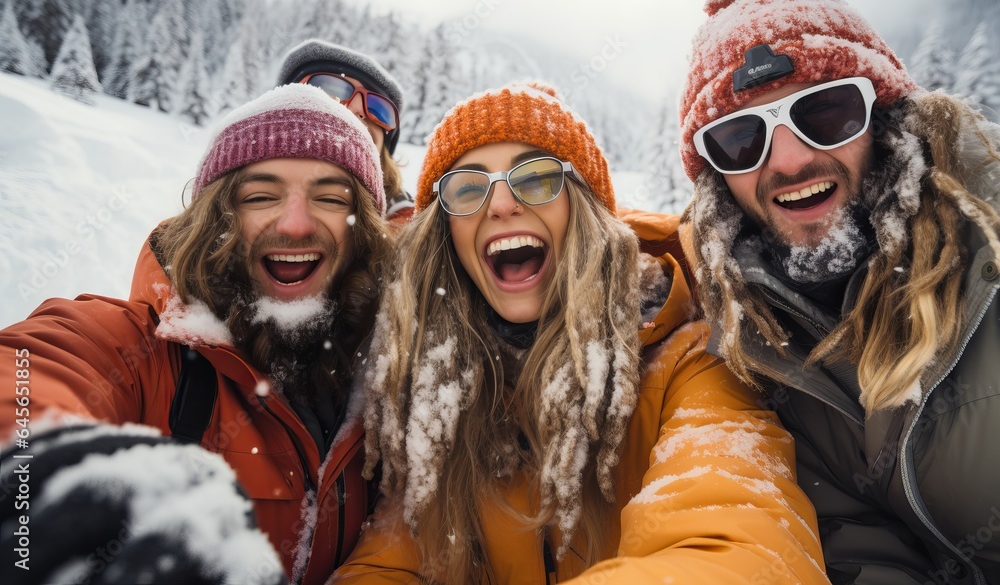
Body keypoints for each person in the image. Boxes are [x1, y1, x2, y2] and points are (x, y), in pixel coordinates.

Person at [331, 82, 828, 583]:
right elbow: (387, 564)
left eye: (537, 179)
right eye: (467, 187)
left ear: (583, 211)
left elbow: (743, 544)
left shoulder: (688, 363)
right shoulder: (431, 389)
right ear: (446, 234)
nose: (501, 206)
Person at [678, 0, 1000, 583]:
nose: (790, 160)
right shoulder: (756, 339)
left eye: (825, 112)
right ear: (720, 176)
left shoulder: (985, 250)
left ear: (883, 120)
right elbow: (854, 539)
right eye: (742, 138)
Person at [0, 84, 392, 585]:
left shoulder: (389, 376)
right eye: (260, 195)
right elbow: (35, 367)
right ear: (217, 218)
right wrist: (42, 476)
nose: (295, 225)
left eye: (331, 197)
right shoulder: (144, 349)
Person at [276, 39, 414, 226]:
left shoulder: (412, 230)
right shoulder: (235, 198)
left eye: (377, 108)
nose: (358, 109)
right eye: (331, 88)